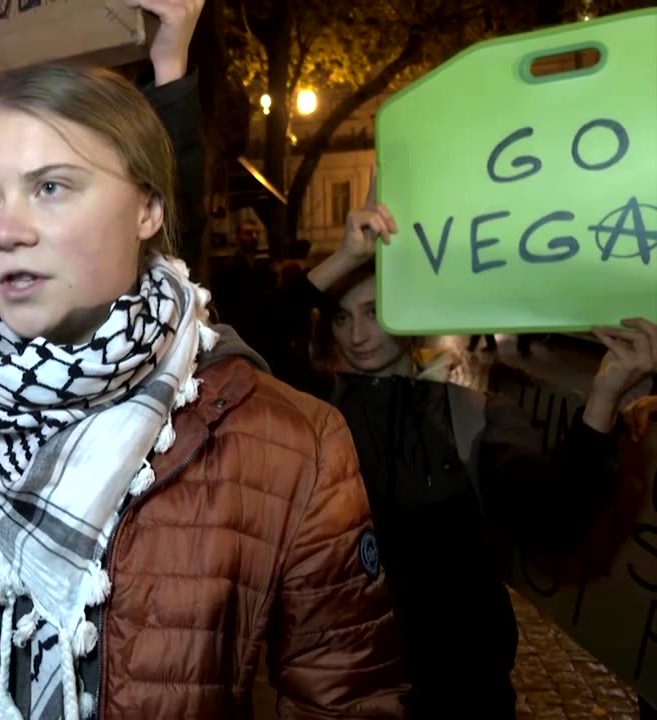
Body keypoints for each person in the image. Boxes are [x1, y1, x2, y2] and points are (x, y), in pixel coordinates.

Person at [0, 3, 407, 717]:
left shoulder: (293, 446)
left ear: (147, 207)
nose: (6, 231)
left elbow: (350, 699)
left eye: (50, 187)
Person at [258, 183, 654, 718]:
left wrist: (603, 398)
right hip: (353, 692)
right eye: (342, 317)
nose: (357, 334)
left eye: (376, 310)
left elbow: (553, 518)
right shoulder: (318, 409)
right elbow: (252, 338)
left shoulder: (470, 414)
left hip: (464, 691)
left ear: (412, 309)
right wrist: (344, 259)